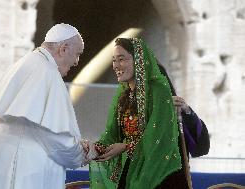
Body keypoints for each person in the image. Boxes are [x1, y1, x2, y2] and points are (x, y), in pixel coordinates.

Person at [0, 23, 89, 189]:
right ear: (63, 48)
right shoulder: (47, 73)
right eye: (77, 54)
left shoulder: (27, 63)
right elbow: (56, 139)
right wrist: (84, 153)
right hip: (21, 164)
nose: (76, 62)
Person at [89, 38, 210, 189]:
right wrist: (94, 148)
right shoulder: (125, 99)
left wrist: (186, 112)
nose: (116, 65)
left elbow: (161, 140)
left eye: (122, 59)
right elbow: (113, 135)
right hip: (134, 173)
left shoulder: (163, 98)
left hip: (161, 177)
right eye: (114, 60)